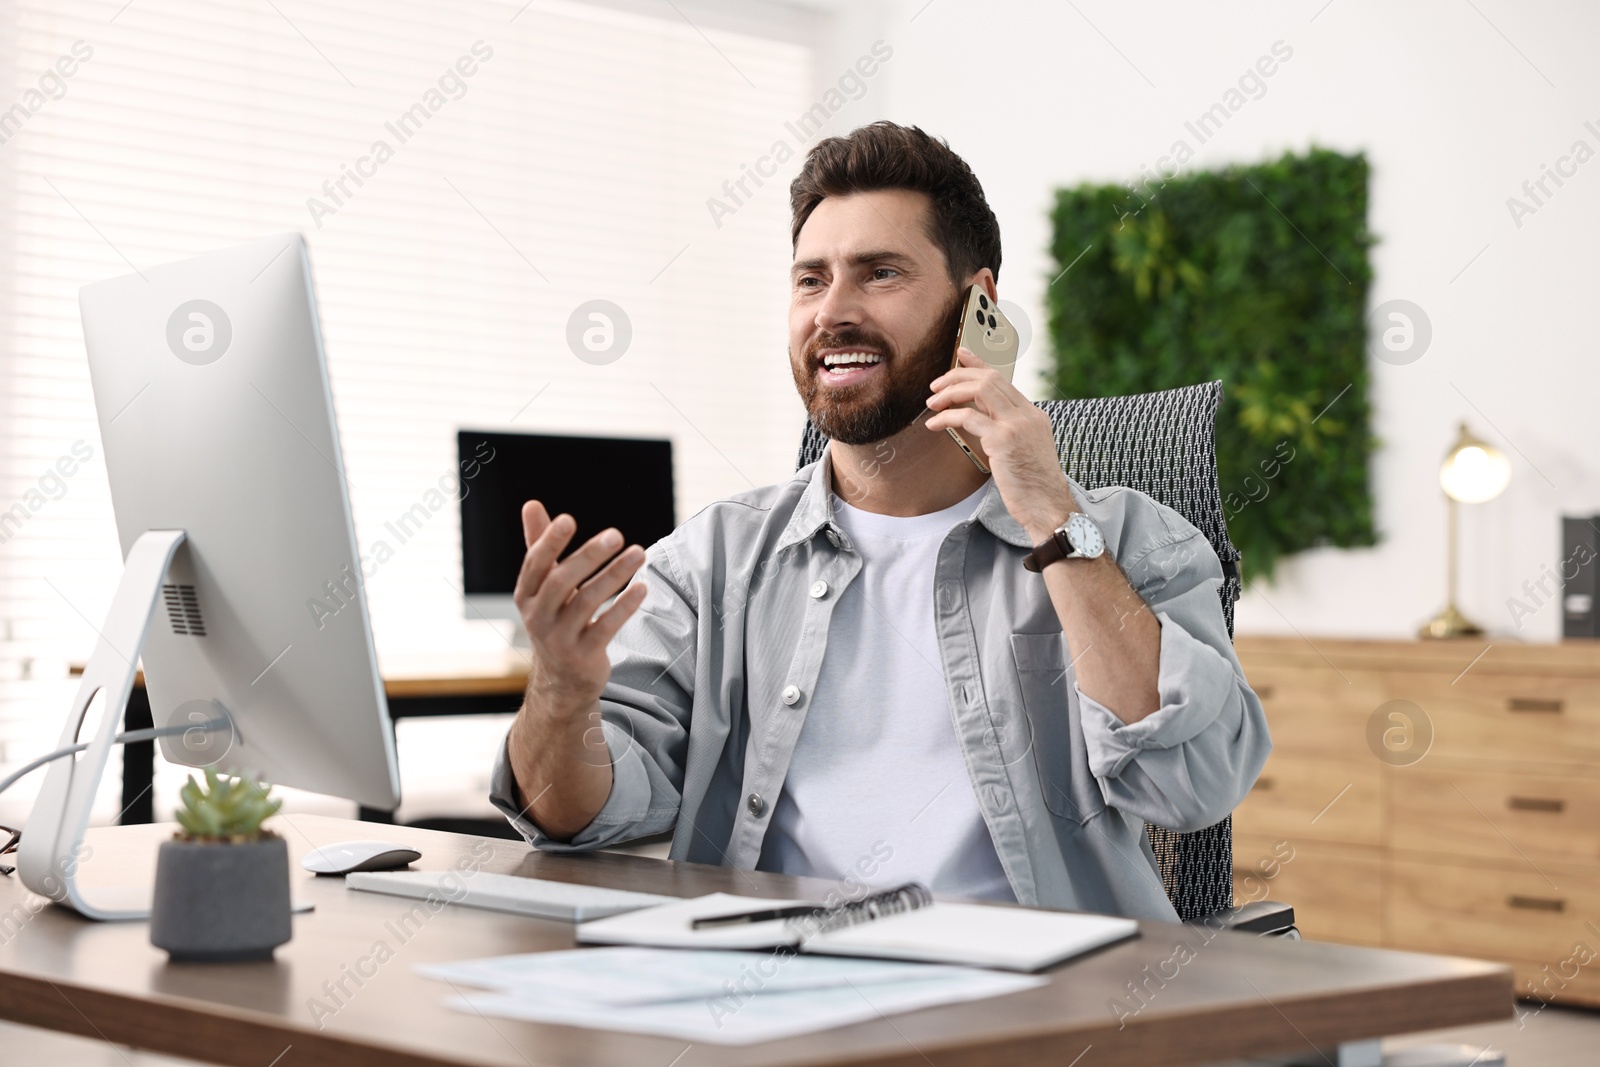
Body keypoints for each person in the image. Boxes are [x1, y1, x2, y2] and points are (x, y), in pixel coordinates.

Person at [490, 121, 1270, 920]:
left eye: (879, 273)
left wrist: (1054, 515)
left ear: (979, 308)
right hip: (766, 1001)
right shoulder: (714, 558)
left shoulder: (1137, 541)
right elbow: (575, 819)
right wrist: (558, 695)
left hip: (1035, 1014)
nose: (833, 311)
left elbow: (1193, 783)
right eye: (809, 280)